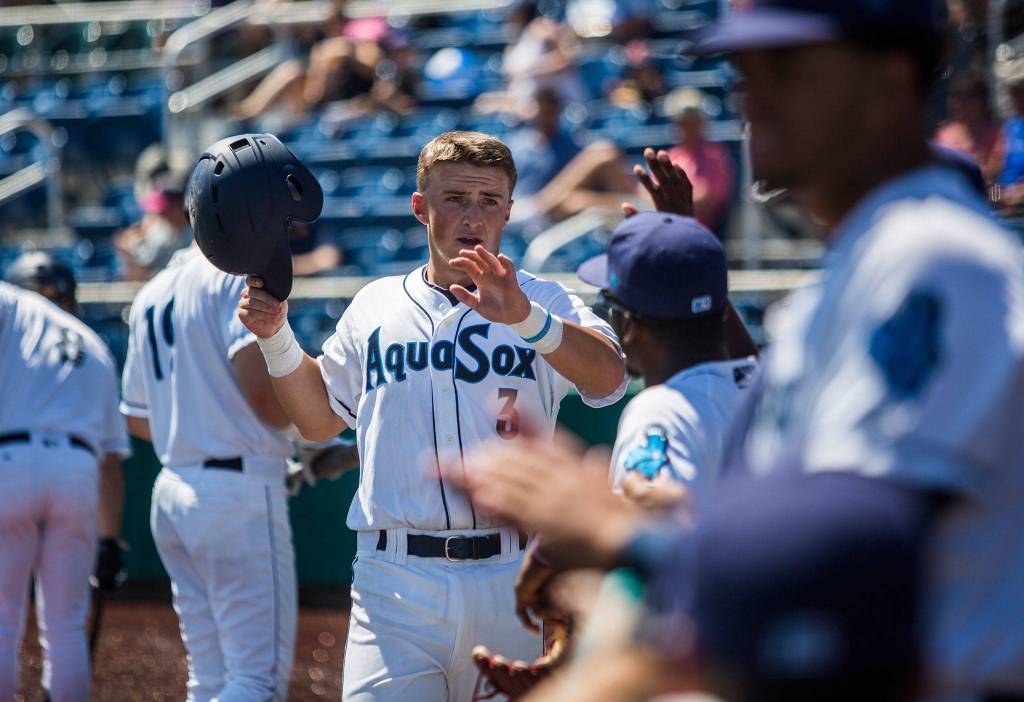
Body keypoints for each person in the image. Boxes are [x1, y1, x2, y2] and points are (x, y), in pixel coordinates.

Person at [685, 2, 1024, 700]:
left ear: (890, 82)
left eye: (786, 66)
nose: (754, 97)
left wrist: (625, 546)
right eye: (745, 70)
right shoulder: (854, 265)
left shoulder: (931, 256)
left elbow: (842, 557)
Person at [238, 130, 628, 701]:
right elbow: (320, 422)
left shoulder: (543, 299)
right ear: (421, 207)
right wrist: (276, 340)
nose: (473, 215)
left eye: (490, 201)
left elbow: (611, 376)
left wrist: (526, 318)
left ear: (510, 211)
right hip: (394, 580)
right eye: (455, 199)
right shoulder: (375, 304)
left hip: (511, 576)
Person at [120, 244, 304, 701]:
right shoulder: (236, 271)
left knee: (209, 678)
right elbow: (269, 402)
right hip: (235, 492)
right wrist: (308, 438)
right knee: (255, 681)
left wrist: (197, 427)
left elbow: (138, 417)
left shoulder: (152, 290)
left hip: (174, 487)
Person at [0, 275, 129, 702]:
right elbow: (111, 464)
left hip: (13, 459)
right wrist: (109, 542)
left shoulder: (13, 304)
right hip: (79, 472)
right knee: (67, 626)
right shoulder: (95, 345)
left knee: (2, 621)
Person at [577, 211, 756, 510]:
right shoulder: (764, 384)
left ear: (630, 326)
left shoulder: (661, 411)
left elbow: (654, 538)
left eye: (611, 309)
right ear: (723, 312)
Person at [664, 103, 735, 234]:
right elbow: (649, 194)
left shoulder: (715, 155)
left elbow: (705, 200)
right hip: (669, 228)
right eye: (681, 122)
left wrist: (665, 200)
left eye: (691, 122)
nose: (686, 128)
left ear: (701, 124)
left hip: (701, 232)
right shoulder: (672, 155)